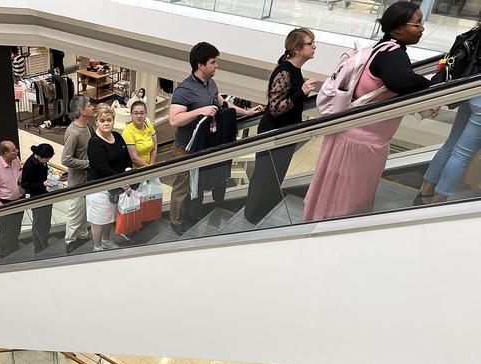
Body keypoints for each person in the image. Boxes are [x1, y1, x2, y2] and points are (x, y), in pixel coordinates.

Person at [303, 1, 432, 221]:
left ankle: (317, 227)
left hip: (346, 136)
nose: (422, 29)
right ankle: (335, 235)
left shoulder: (379, 48)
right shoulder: (394, 54)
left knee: (332, 191)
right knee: (349, 198)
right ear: (398, 27)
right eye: (417, 23)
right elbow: (400, 81)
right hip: (363, 143)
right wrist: (430, 83)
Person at [168, 41, 263, 235]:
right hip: (185, 147)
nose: (216, 65)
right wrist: (200, 111)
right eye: (213, 62)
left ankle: (193, 214)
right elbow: (173, 120)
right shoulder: (184, 90)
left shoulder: (211, 84)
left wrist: (247, 113)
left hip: (204, 145)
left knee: (199, 182)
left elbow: (223, 104)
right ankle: (176, 221)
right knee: (183, 185)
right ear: (200, 65)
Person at [244, 28, 317, 224]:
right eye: (311, 43)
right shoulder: (285, 71)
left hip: (285, 132)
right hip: (273, 132)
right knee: (264, 176)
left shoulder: (294, 69)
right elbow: (275, 107)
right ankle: (253, 215)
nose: (314, 47)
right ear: (298, 48)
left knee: (274, 176)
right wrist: (301, 92)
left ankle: (262, 212)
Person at [414, 96, 481, 204]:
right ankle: (437, 202)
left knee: (449, 146)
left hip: (471, 93)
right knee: (461, 155)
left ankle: (425, 193)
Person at [86, 103, 132, 251]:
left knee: (109, 217)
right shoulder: (94, 143)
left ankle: (106, 241)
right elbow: (103, 169)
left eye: (109, 120)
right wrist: (123, 181)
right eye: (102, 120)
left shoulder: (117, 136)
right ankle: (97, 247)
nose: (106, 123)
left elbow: (126, 158)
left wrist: (128, 172)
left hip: (116, 187)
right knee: (99, 219)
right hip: (99, 188)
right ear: (96, 122)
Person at [62, 96, 94, 247]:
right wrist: (88, 163)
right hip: (77, 181)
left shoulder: (88, 126)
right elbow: (66, 159)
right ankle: (70, 241)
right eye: (89, 105)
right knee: (75, 212)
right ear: (82, 110)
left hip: (88, 179)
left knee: (84, 210)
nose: (92, 107)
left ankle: (82, 235)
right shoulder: (74, 132)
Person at [0, 141, 24, 257]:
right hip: (5, 203)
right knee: (6, 230)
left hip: (20, 200)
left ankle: (14, 248)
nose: (16, 151)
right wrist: (0, 206)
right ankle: (5, 253)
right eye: (14, 150)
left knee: (17, 226)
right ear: (6, 153)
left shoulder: (16, 160)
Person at [21, 144, 55, 253]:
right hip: (37, 198)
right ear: (39, 156)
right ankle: (39, 247)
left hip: (46, 195)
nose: (47, 160)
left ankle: (44, 243)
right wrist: (42, 184)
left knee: (46, 222)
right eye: (46, 159)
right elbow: (25, 185)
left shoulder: (42, 162)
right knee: (39, 223)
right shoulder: (30, 165)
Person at [121, 100, 157, 168]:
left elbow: (154, 148)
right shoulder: (128, 131)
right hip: (136, 169)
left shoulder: (149, 125)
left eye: (142, 113)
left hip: (149, 166)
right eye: (136, 113)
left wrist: (152, 165)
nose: (139, 116)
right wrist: (147, 168)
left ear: (145, 114)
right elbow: (134, 158)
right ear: (131, 114)